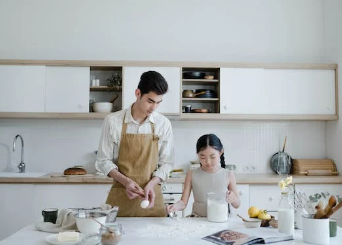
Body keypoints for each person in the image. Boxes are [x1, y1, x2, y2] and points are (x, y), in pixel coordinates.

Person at [95, 70, 174, 217]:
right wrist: (126, 182)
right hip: (121, 198)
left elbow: (167, 163)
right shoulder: (112, 122)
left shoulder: (163, 124)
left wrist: (151, 184)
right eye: (150, 101)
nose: (154, 108)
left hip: (152, 197)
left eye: (158, 103)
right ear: (138, 93)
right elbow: (103, 161)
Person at [166, 134, 240, 216]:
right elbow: (183, 203)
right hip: (197, 220)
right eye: (203, 157)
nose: (208, 162)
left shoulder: (228, 174)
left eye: (212, 157)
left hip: (221, 220)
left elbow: (237, 204)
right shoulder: (192, 174)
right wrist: (175, 206)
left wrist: (233, 198)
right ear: (197, 155)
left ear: (220, 153)